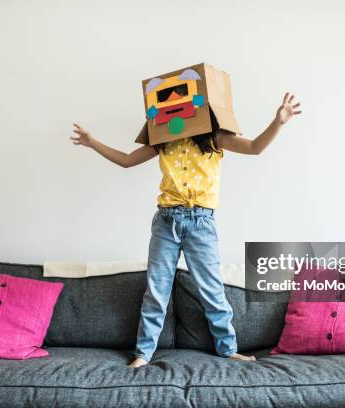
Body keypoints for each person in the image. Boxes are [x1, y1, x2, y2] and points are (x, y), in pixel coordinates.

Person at [70, 92, 301, 368]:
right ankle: (143, 354)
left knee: (212, 290)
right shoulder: (162, 140)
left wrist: (279, 122)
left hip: (200, 222)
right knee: (156, 290)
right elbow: (127, 160)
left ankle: (228, 349)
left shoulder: (215, 138)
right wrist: (92, 142)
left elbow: (254, 147)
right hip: (166, 221)